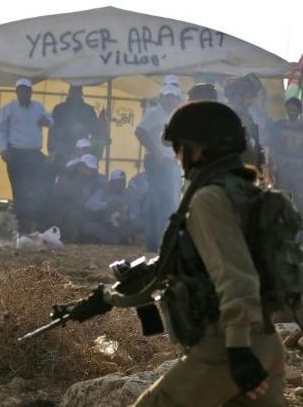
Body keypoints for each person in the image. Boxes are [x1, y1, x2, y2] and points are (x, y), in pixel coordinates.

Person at [76, 101, 286, 406]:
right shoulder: (249, 195)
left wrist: (238, 350)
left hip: (226, 351)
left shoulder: (208, 199)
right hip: (266, 344)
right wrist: (108, 297)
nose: (176, 156)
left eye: (178, 148)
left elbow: (236, 278)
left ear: (197, 150)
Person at [0, 78, 54, 234]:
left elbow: (51, 122)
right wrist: (3, 149)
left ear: (30, 92)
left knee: (38, 189)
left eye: (26, 90)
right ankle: (23, 227)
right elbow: (1, 131)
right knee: (19, 190)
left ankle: (38, 224)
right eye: (20, 90)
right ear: (16, 92)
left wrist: (47, 121)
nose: (23, 93)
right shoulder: (8, 108)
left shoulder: (38, 107)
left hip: (35, 155)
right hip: (16, 155)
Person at [135, 83, 182, 251]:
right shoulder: (155, 112)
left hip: (169, 161)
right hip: (158, 162)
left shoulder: (174, 114)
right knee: (165, 201)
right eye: (167, 96)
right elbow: (140, 131)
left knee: (160, 201)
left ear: (177, 99)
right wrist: (156, 152)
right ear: (161, 97)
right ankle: (162, 242)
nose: (170, 99)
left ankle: (155, 242)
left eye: (173, 97)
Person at [81, 169, 141, 245]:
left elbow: (136, 213)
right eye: (118, 182)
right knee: (88, 226)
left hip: (123, 226)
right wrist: (107, 204)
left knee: (139, 224)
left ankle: (113, 238)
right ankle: (116, 239)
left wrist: (127, 218)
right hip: (106, 225)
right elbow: (88, 205)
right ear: (112, 182)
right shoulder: (103, 192)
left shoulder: (130, 194)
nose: (121, 184)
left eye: (123, 181)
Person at [267, 97, 303, 209]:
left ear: (299, 110)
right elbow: (272, 147)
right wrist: (272, 165)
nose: (291, 112)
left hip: (299, 168)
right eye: (289, 109)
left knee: (299, 196)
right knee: (281, 196)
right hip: (282, 166)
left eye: (294, 110)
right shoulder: (278, 126)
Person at [48, 85, 100, 163]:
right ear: (69, 92)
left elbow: (95, 130)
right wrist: (51, 150)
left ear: (81, 93)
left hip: (82, 151)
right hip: (62, 151)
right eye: (73, 91)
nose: (75, 94)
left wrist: (83, 127)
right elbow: (53, 130)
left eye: (78, 91)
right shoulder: (59, 108)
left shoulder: (89, 109)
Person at [224, 75, 264, 169]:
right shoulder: (229, 114)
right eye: (248, 97)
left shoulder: (246, 115)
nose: (251, 102)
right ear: (237, 97)